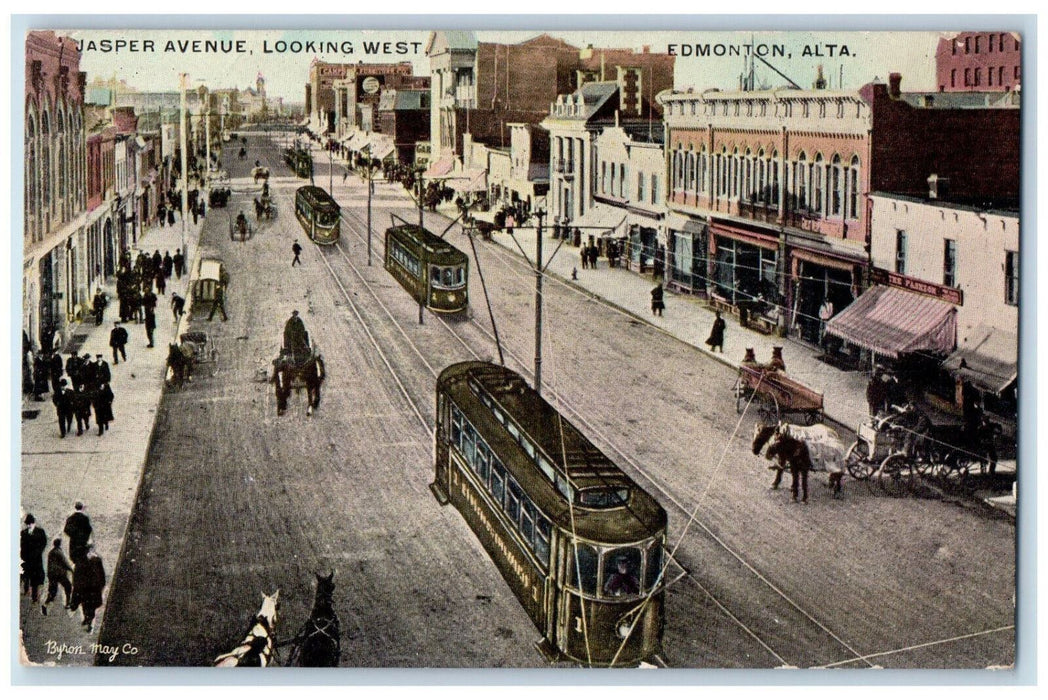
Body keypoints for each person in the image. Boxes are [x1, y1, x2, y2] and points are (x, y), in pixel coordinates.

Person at [71, 544, 106, 633]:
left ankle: (89, 620)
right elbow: (77, 575)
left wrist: (101, 584)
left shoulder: (96, 560)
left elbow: (101, 574)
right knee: (85, 605)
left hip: (93, 588)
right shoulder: (83, 561)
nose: (91, 553)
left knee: (91, 606)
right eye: (90, 551)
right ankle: (87, 618)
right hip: (86, 588)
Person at [20, 514, 47, 607]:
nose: (28, 525)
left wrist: (38, 552)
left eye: (30, 524)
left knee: (35, 579)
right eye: (27, 524)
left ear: (33, 523)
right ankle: (26, 589)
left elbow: (43, 543)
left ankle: (34, 597)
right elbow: (21, 545)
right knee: (26, 575)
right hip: (26, 559)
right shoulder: (23, 533)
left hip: (36, 559)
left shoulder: (40, 532)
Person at [44, 538, 74, 614]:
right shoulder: (59, 552)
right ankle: (67, 603)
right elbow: (65, 563)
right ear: (60, 544)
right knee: (68, 586)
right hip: (60, 574)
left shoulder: (51, 552)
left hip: (52, 575)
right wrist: (71, 570)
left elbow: (49, 565)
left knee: (52, 592)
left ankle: (45, 604)